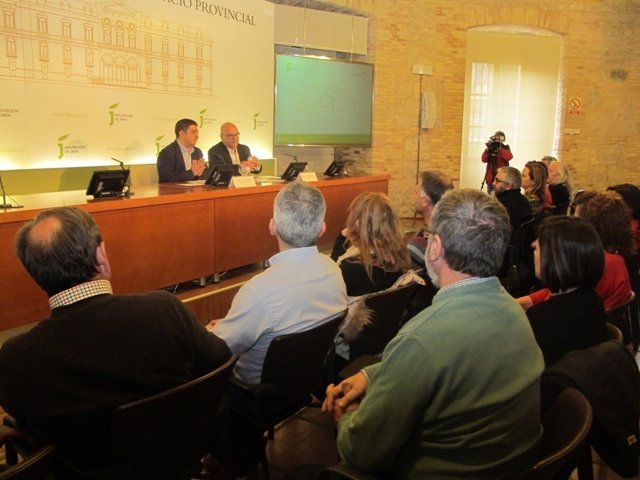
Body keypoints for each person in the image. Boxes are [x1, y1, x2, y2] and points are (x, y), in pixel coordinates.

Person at [323, 189, 544, 479]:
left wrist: (347, 414)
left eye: (429, 236)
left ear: (436, 246)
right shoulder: (514, 311)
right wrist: (370, 375)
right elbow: (442, 363)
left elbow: (362, 452)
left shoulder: (421, 338)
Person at [0, 207, 231, 470]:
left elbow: (27, 421)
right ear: (102, 255)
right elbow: (220, 359)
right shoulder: (164, 310)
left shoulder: (16, 359)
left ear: (36, 274)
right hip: (181, 460)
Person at [207, 181, 347, 478]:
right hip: (304, 384)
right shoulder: (334, 272)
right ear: (322, 228)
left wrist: (214, 330)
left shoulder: (259, 291)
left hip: (251, 396)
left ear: (272, 226)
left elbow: (218, 351)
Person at [526, 216, 607, 366]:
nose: (533, 245)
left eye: (539, 245)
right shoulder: (592, 299)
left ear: (556, 258)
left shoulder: (539, 319)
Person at [330, 192, 410, 297]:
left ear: (358, 223)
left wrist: (342, 235)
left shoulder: (350, 269)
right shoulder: (399, 258)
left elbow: (332, 274)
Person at [406, 170, 453, 270]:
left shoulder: (417, 247)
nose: (414, 195)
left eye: (416, 192)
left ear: (424, 201)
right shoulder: (454, 234)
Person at [157, 118, 209, 182]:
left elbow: (206, 174)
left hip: (195, 191)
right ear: (182, 133)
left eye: (197, 132)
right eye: (193, 132)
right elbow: (166, 179)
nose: (197, 136)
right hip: (174, 191)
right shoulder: (167, 153)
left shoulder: (197, 152)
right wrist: (192, 172)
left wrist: (201, 174)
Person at [493, 166, 534, 237]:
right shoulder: (524, 200)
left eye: (497, 181)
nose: (493, 183)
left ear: (508, 186)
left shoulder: (501, 205)